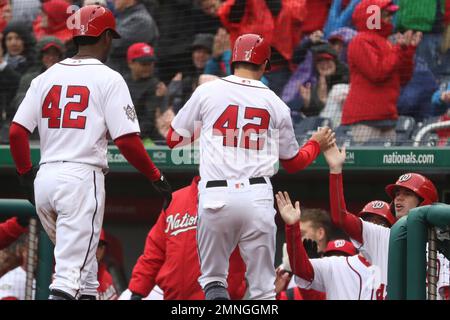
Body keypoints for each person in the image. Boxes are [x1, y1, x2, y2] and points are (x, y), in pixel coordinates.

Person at [8, 5, 171, 300]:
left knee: (86, 276)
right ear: (106, 36)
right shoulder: (109, 78)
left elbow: (17, 132)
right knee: (69, 276)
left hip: (45, 177)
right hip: (80, 179)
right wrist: (155, 174)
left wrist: (24, 175)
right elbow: (127, 141)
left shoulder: (45, 77)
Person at [167, 33, 335, 300]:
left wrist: (211, 128)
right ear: (265, 65)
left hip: (215, 196)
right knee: (263, 291)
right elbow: (293, 163)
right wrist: (314, 144)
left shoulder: (207, 90)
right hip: (257, 197)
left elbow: (173, 139)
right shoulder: (276, 103)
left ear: (233, 60)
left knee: (213, 281)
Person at [323, 144, 449, 299]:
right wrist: (335, 171)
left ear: (424, 202)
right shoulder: (383, 237)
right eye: (397, 193)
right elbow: (340, 217)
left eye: (407, 193)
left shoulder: (443, 246)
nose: (398, 198)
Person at [128, 176, 247, 300]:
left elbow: (258, 251)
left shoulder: (237, 201)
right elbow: (154, 253)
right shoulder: (174, 200)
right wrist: (138, 291)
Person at [341, 0, 421, 144]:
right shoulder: (360, 41)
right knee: (366, 165)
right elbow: (377, 72)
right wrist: (398, 49)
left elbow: (404, 78)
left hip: (387, 118)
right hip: (364, 119)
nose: (390, 18)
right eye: (386, 14)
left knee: (389, 166)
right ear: (372, 17)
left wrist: (407, 51)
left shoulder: (387, 42)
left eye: (391, 14)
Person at [276, 191, 380, 300]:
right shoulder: (287, 273)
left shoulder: (374, 278)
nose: (339, 263)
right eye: (332, 257)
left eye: (302, 233)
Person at [124, 42, 168, 143]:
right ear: (130, 63)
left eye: (150, 63)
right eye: (143, 64)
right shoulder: (122, 82)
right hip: (123, 133)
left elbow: (149, 121)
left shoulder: (156, 86)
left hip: (148, 139)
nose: (148, 67)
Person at [96, 229, 118, 300]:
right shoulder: (74, 275)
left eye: (101, 247)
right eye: (95, 245)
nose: (97, 251)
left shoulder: (106, 277)